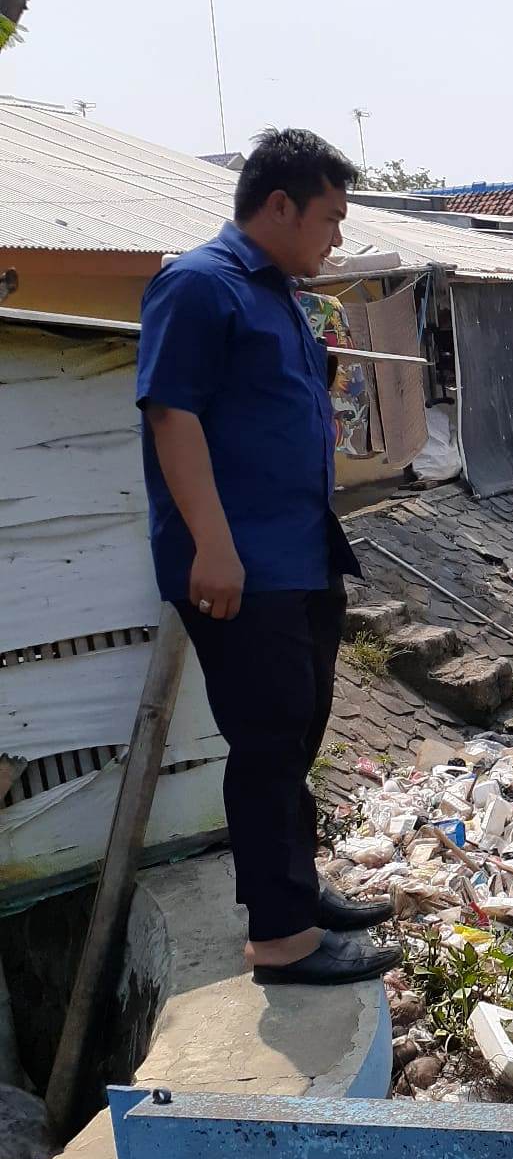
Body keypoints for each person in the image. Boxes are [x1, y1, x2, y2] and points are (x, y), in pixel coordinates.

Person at [136, 128, 401, 986]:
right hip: (241, 564)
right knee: (266, 740)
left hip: (300, 552)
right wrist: (212, 545)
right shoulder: (197, 285)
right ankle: (281, 940)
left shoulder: (279, 294)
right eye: (329, 218)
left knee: (295, 732)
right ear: (279, 205)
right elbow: (172, 415)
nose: (335, 237)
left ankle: (298, 887)